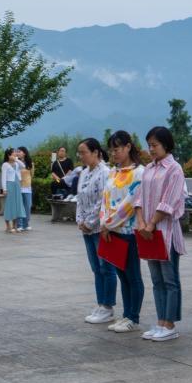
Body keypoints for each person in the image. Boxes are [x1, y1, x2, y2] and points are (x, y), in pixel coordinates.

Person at [135, 126, 187, 342]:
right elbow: (138, 197)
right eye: (149, 145)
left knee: (170, 279)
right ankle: (160, 321)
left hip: (165, 233)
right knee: (156, 280)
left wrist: (152, 223)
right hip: (148, 232)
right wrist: (141, 222)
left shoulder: (174, 169)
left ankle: (170, 323)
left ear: (166, 145)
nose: (151, 149)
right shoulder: (148, 168)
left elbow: (169, 201)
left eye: (155, 145)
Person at [100, 130, 145, 333]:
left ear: (128, 147)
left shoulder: (139, 173)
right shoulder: (113, 172)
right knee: (122, 276)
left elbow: (130, 203)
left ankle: (133, 317)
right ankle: (126, 314)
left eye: (117, 149)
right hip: (112, 230)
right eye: (111, 150)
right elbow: (105, 199)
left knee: (133, 275)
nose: (113, 153)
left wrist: (108, 223)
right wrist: (104, 222)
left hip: (129, 231)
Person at [75, 138, 117, 324]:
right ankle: (101, 303)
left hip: (100, 228)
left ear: (96, 153)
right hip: (86, 228)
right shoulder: (84, 173)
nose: (81, 156)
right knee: (96, 268)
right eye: (79, 153)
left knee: (106, 267)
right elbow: (80, 198)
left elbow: (103, 200)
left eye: (84, 152)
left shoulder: (105, 172)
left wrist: (91, 222)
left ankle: (108, 306)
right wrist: (80, 220)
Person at [1, 148, 26, 233]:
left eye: (15, 153)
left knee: (17, 205)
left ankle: (15, 226)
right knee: (9, 205)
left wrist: (16, 159)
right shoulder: (5, 165)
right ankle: (8, 226)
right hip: (10, 185)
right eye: (13, 153)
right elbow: (3, 178)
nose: (15, 154)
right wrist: (4, 189)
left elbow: (23, 166)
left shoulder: (17, 163)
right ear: (9, 155)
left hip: (17, 186)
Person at [17, 146, 34, 232]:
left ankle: (26, 224)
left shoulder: (30, 163)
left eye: (19, 151)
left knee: (27, 206)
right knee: (20, 207)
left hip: (27, 188)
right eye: (17, 151)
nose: (18, 153)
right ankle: (19, 225)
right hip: (18, 187)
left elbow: (32, 175)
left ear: (24, 153)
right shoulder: (16, 163)